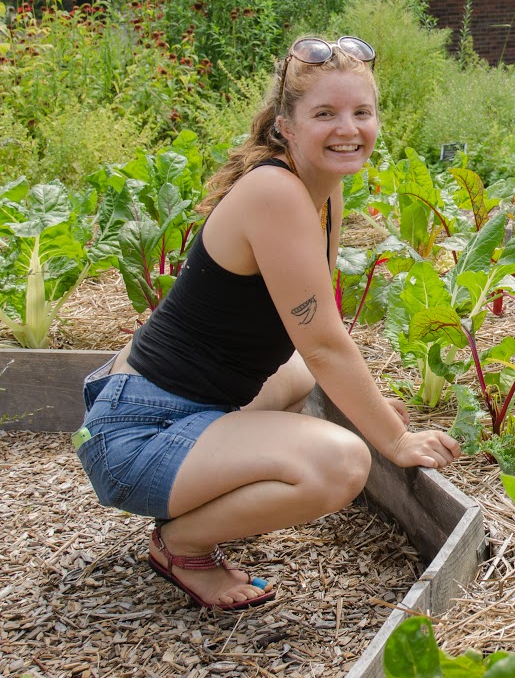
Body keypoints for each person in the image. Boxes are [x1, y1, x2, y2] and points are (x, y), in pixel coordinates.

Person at [75, 35, 462, 610]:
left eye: (362, 112)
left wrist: (371, 408)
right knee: (344, 463)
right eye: (325, 114)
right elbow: (328, 342)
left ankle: (219, 490)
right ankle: (180, 544)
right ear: (286, 125)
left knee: (303, 372)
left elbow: (315, 336)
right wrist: (394, 438)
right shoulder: (276, 191)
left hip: (174, 405)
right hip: (136, 433)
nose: (348, 128)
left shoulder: (320, 190)